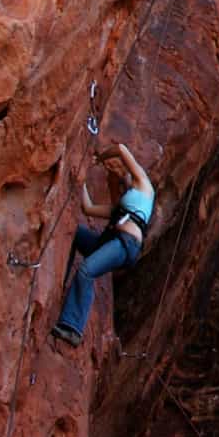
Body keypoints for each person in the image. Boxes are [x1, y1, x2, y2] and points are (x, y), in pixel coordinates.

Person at [50, 141, 155, 348]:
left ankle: (73, 329)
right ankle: (63, 283)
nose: (122, 180)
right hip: (111, 242)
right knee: (74, 234)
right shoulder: (120, 208)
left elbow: (122, 149)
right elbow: (88, 208)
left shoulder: (144, 187)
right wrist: (79, 180)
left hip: (126, 244)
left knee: (87, 270)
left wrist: (98, 159)